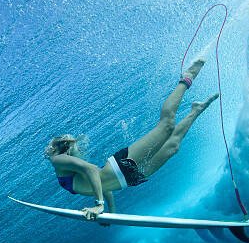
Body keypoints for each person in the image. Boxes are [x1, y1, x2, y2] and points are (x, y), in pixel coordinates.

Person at [45, 59, 218, 221]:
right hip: (129, 180)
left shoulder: (57, 160)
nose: (79, 149)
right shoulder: (63, 163)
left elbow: (91, 169)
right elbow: (102, 185)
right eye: (75, 145)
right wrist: (110, 213)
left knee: (167, 125)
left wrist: (99, 205)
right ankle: (196, 110)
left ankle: (188, 77)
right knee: (173, 147)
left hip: (122, 165)